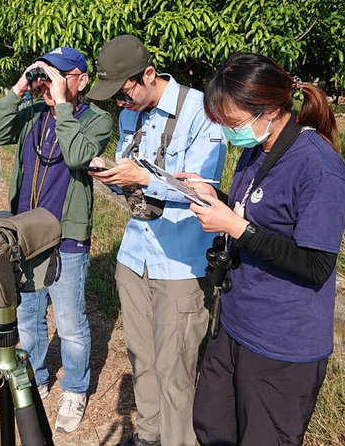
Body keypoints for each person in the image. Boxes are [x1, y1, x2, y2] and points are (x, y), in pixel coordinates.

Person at [183, 52, 345, 445]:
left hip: (281, 343)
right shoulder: (257, 148)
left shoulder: (319, 167)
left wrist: (235, 227)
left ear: (271, 109)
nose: (228, 134)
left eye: (234, 123)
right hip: (236, 323)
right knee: (212, 425)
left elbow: (315, 264)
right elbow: (259, 215)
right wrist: (216, 198)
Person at [86, 34, 226, 446]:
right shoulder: (132, 112)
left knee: (175, 370)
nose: (120, 104)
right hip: (135, 258)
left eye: (124, 93)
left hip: (180, 265)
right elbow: (134, 188)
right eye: (114, 98)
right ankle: (148, 436)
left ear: (148, 75)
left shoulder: (201, 113)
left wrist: (144, 177)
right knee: (142, 360)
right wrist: (112, 175)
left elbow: (204, 193)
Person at [0, 46, 113, 433]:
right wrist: (21, 86)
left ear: (81, 80)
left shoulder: (97, 120)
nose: (48, 83)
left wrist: (62, 106)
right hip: (24, 232)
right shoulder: (32, 112)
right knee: (28, 314)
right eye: (45, 74)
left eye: (59, 76)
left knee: (70, 321)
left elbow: (76, 156)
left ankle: (75, 388)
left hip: (66, 237)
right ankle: (35, 378)